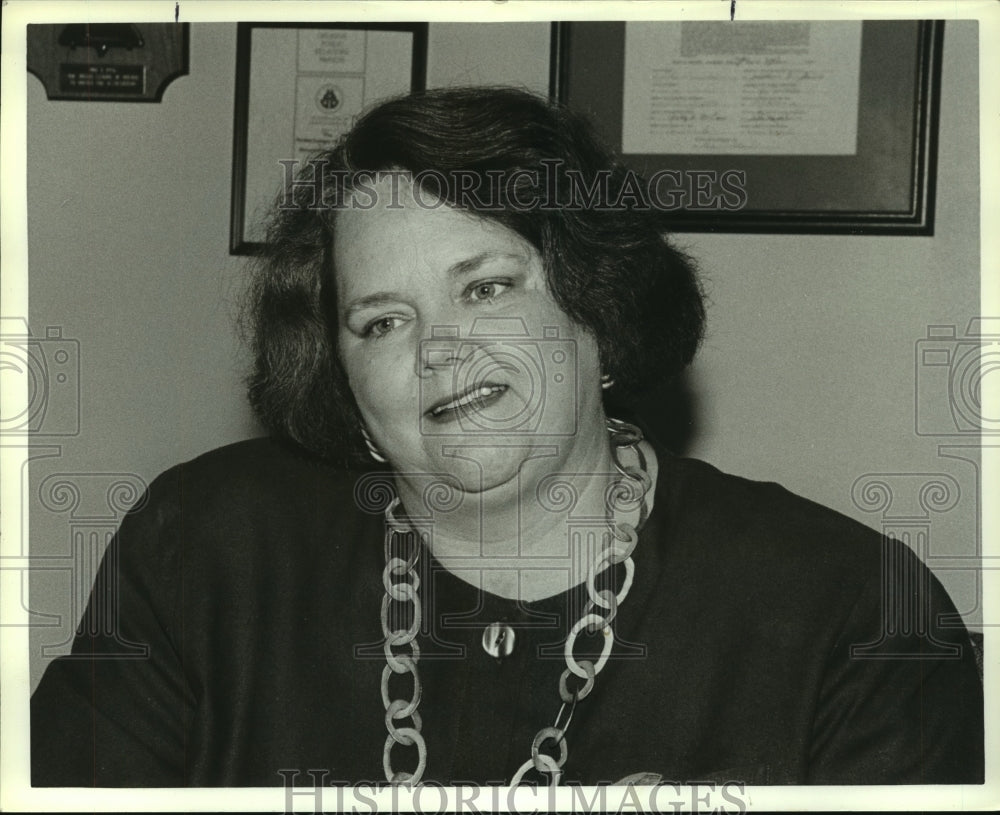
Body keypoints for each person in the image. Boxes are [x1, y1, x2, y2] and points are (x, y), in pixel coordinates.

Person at [31, 86, 983, 787]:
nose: (441, 349)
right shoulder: (199, 547)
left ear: (597, 311)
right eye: (381, 321)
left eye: (486, 287)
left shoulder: (863, 621)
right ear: (343, 378)